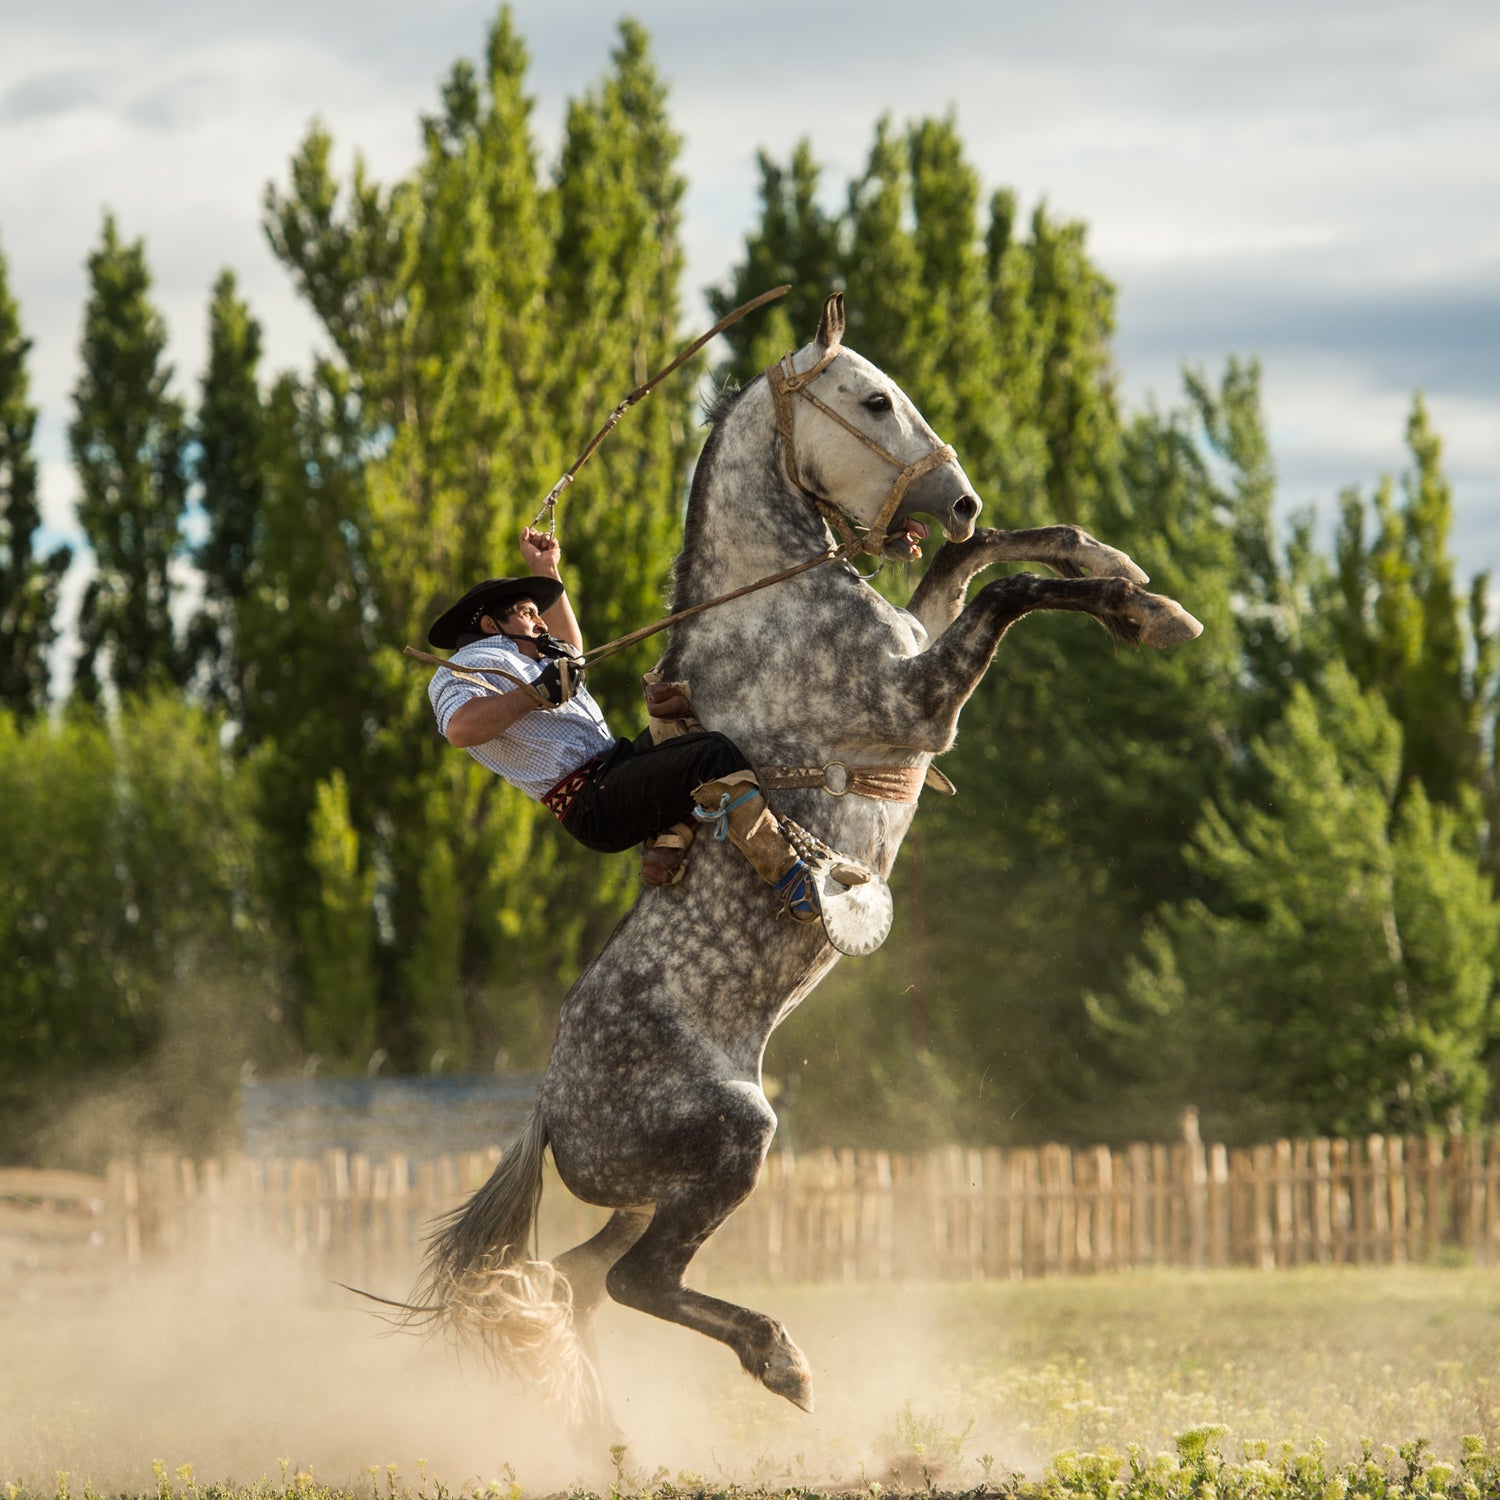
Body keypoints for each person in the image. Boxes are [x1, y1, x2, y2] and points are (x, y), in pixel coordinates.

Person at [426, 527, 820, 922]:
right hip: (592, 801)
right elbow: (460, 729)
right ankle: (792, 881)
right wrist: (535, 694)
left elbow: (572, 650)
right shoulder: (464, 666)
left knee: (686, 715)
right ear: (492, 626)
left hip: (614, 770)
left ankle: (668, 841)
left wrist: (546, 568)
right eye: (529, 613)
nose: (542, 623)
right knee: (710, 753)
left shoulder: (531, 656)